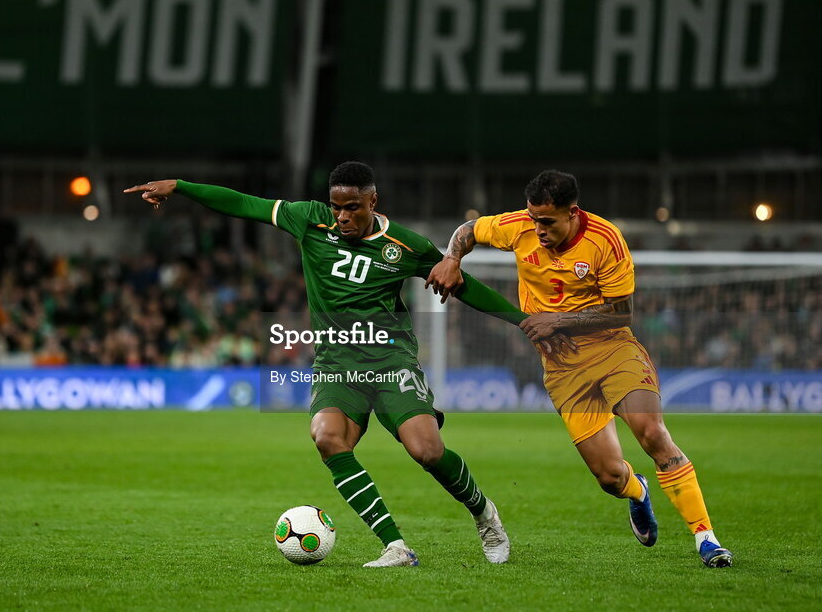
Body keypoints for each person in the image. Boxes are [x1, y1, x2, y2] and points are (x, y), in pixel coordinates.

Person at [126, 161, 564, 568]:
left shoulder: (406, 246)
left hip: (390, 360)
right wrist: (181, 187)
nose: (342, 217)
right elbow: (244, 203)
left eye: (352, 208)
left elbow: (463, 285)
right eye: (337, 208)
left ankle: (485, 514)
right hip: (337, 362)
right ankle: (395, 546)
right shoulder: (309, 219)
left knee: (426, 450)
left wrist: (523, 322)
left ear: (373, 202)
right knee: (327, 437)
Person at [426, 169, 733, 568]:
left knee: (652, 432)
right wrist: (452, 257)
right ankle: (638, 492)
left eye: (547, 221)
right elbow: (469, 229)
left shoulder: (605, 240)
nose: (537, 229)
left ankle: (706, 539)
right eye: (533, 218)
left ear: (572, 212)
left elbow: (622, 313)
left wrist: (559, 321)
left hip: (613, 351)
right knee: (609, 478)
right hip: (562, 368)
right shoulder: (519, 226)